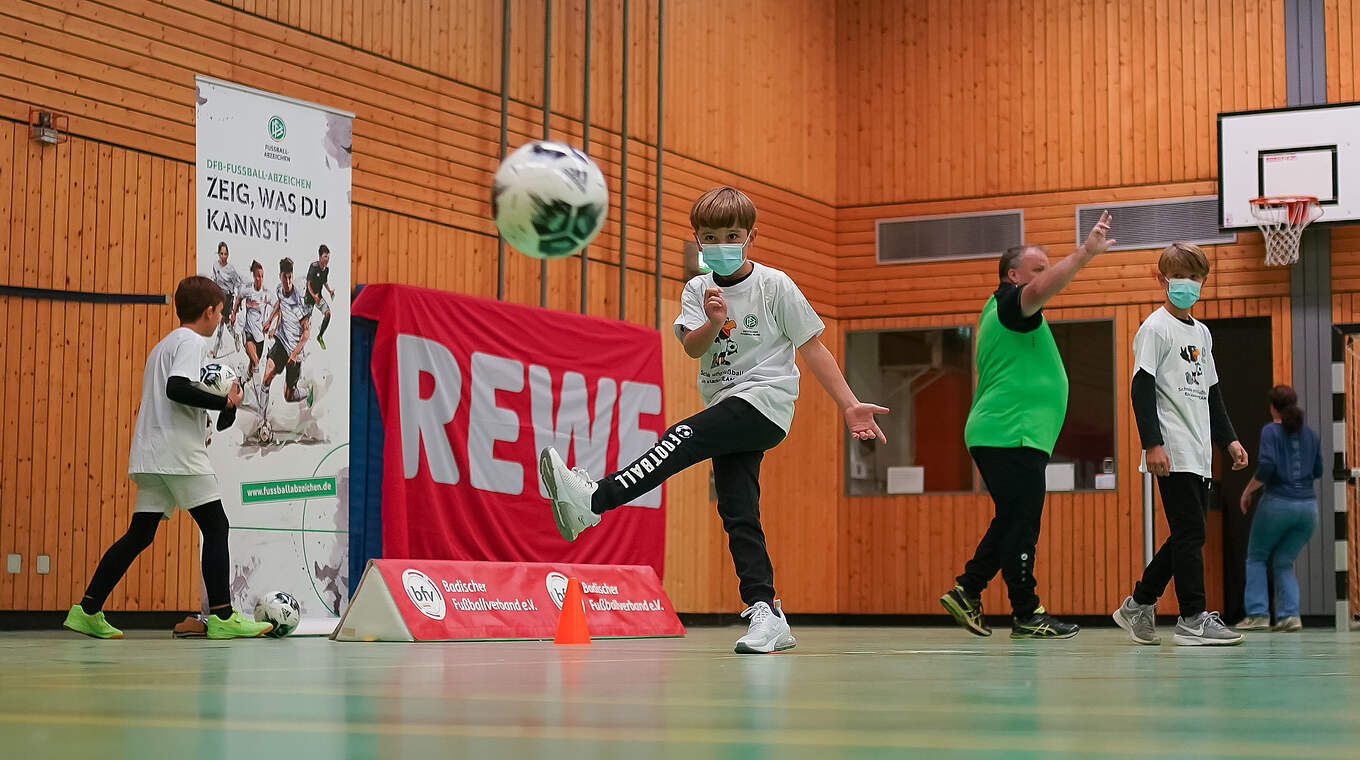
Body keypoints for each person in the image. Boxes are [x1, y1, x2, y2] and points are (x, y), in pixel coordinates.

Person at [537, 186, 888, 654]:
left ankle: (595, 499)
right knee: (738, 511)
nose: (720, 243)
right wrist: (711, 320)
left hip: (766, 402)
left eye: (731, 234)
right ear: (697, 240)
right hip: (724, 401)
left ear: (750, 236)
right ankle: (767, 612)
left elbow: (812, 346)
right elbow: (693, 349)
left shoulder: (774, 285)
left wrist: (849, 404)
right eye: (709, 236)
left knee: (683, 436)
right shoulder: (697, 289)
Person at [62, 276, 273, 640]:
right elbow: (177, 389)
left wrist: (228, 406)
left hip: (150, 454)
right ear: (208, 312)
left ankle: (87, 610)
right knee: (216, 526)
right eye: (221, 312)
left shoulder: (164, 346)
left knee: (139, 535)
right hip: (177, 454)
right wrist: (223, 401)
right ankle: (223, 616)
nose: (221, 319)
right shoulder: (192, 342)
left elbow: (200, 407)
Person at [938, 212, 1115, 640]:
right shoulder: (1011, 302)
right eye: (1038, 267)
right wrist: (1083, 254)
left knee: (1013, 520)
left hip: (1011, 434)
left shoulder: (1011, 313)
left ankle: (973, 591)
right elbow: (1040, 288)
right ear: (1013, 274)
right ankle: (1022, 609)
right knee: (1021, 523)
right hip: (1009, 433)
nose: (1046, 275)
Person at [1113, 243, 1250, 646]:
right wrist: (1152, 444)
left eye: (1195, 278)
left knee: (1185, 534)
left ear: (1203, 282)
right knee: (1191, 534)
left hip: (1199, 450)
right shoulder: (1154, 328)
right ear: (1161, 280)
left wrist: (1229, 440)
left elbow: (1212, 393)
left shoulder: (1202, 333)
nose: (1187, 285)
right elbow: (1141, 389)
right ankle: (1192, 617)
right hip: (1171, 449)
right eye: (1179, 278)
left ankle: (1139, 603)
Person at [1234, 384, 1322, 633]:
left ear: (1272, 408)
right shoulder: (1311, 435)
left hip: (1277, 504)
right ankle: (1290, 616)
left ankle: (1258, 613)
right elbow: (1318, 471)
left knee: (1257, 556)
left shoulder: (1271, 431)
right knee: (1284, 560)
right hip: (1308, 509)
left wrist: (1247, 491)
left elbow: (1267, 467)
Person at [258, 257, 312, 439]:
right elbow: (279, 305)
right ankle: (261, 422)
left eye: (290, 278)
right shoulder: (279, 290)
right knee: (266, 377)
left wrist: (295, 353)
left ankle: (308, 391)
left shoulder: (299, 302)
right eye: (285, 278)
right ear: (280, 276)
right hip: (281, 342)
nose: (288, 282)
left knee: (289, 396)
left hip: (295, 351)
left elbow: (306, 333)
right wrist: (270, 321)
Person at [232, 260, 272, 383]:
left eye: (262, 276)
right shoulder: (248, 289)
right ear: (254, 277)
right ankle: (259, 395)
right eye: (258, 276)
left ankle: (243, 381)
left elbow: (278, 307)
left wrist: (270, 323)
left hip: (260, 334)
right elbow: (238, 298)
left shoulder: (266, 293)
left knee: (253, 364)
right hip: (248, 331)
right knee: (255, 363)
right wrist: (233, 314)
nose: (260, 278)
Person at [209, 241, 244, 357]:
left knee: (221, 323)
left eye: (225, 254)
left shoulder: (231, 269)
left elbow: (238, 284)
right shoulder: (215, 265)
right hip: (219, 296)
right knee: (225, 323)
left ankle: (215, 351)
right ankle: (236, 336)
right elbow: (213, 279)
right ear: (218, 254)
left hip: (228, 298)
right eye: (221, 254)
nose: (223, 256)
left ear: (228, 255)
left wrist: (237, 301)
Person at [305, 244, 336, 350]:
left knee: (328, 314)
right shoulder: (313, 267)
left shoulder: (326, 270)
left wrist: (330, 291)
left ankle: (320, 336)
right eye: (325, 256)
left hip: (319, 297)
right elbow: (308, 284)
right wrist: (313, 296)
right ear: (320, 257)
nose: (327, 259)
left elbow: (324, 282)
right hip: (309, 298)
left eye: (328, 257)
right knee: (305, 325)